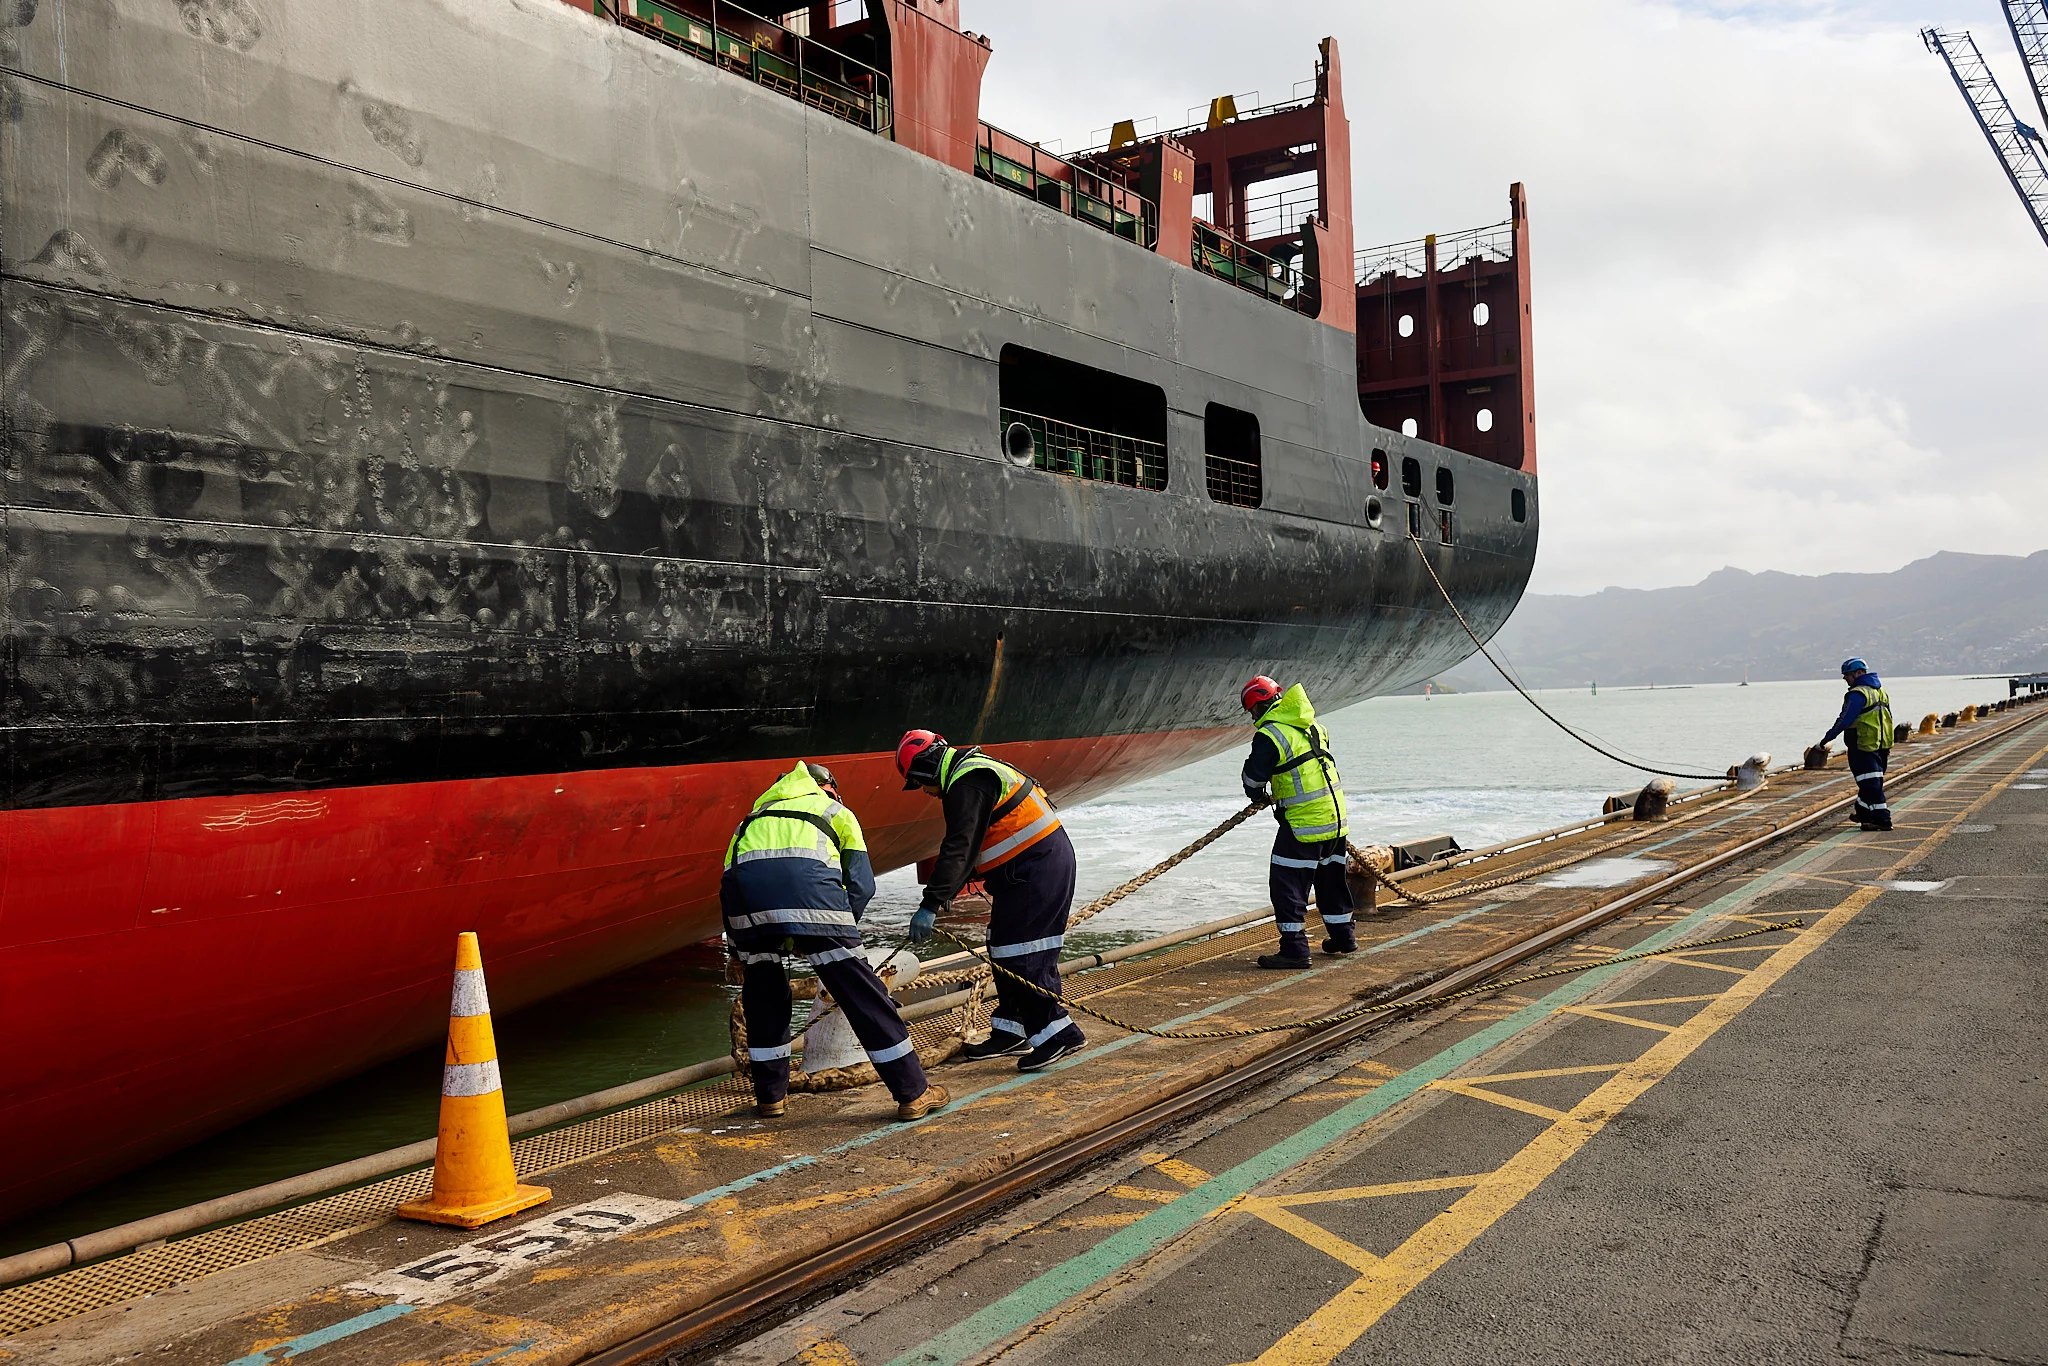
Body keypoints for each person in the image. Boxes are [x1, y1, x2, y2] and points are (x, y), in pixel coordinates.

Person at [721, 761, 949, 1122]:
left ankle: (770, 1099)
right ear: (828, 787)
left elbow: (731, 878)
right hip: (816, 907)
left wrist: (738, 950)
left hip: (747, 913)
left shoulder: (752, 819)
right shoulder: (834, 810)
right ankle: (914, 1093)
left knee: (764, 999)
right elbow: (861, 885)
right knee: (863, 996)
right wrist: (837, 933)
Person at [898, 731, 1087, 1072]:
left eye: (918, 782)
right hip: (1026, 871)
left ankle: (1059, 1034)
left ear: (926, 769)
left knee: (1024, 951)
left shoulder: (967, 782)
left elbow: (960, 846)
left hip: (1037, 871)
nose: (924, 792)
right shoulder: (972, 773)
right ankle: (1011, 1030)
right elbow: (975, 845)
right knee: (1001, 947)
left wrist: (931, 903)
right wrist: (950, 890)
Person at [1239, 675, 1357, 968]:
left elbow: (1254, 778)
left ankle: (1294, 950)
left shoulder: (1270, 735)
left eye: (1251, 710)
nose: (1252, 716)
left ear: (1257, 706)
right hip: (1335, 819)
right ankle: (1344, 937)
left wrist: (1256, 796)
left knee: (1286, 884)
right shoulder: (1314, 725)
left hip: (1304, 825)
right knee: (1331, 881)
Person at [1821, 658, 1895, 832]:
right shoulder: (1880, 691)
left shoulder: (1857, 694)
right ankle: (1863, 812)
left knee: (1870, 783)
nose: (1845, 679)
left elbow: (1844, 720)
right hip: (1882, 743)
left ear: (1858, 673)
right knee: (1872, 781)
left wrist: (1827, 739)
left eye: (1847, 675)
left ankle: (1882, 819)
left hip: (1863, 745)